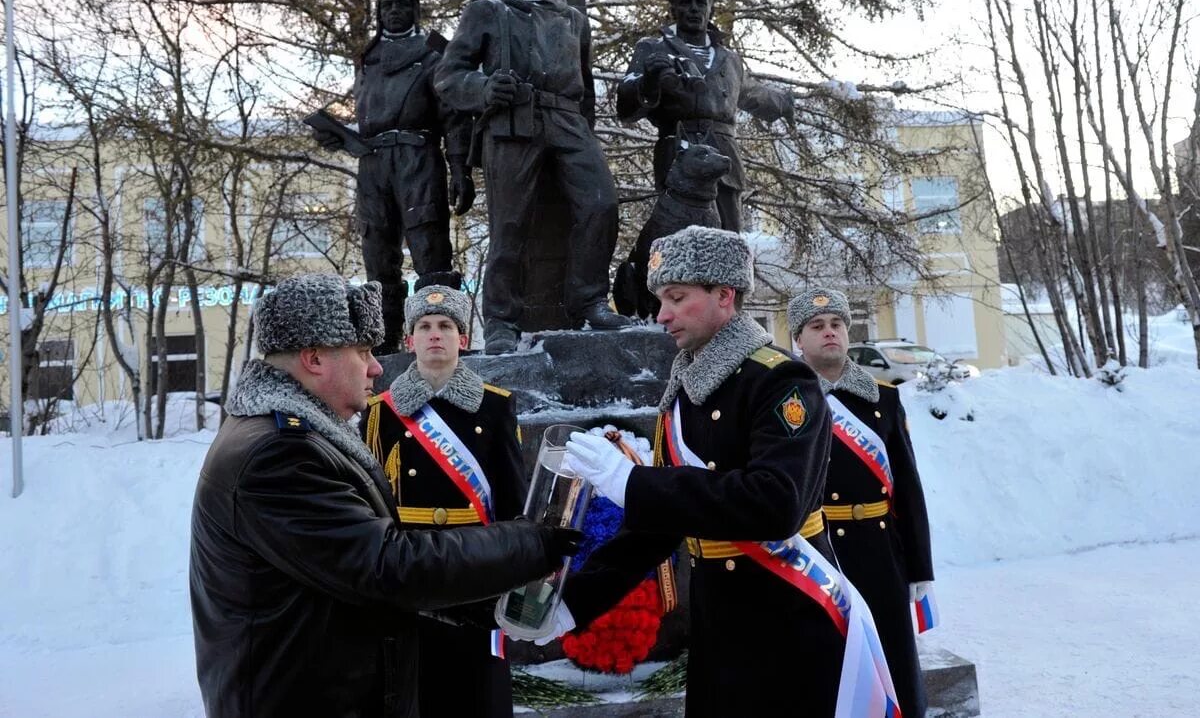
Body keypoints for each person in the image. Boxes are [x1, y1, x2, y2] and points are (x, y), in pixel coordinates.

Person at [190, 273, 579, 718]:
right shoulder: (278, 455)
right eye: (362, 352)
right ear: (315, 358)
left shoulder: (298, 436)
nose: (376, 367)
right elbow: (387, 565)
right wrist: (528, 543)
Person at [519, 225, 848, 716]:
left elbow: (776, 503)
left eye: (677, 297)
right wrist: (573, 603)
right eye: (660, 299)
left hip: (785, 615)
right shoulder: (688, 386)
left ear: (724, 295)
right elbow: (660, 525)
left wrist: (633, 482)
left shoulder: (780, 380)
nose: (661, 314)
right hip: (719, 622)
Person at [435, 0, 630, 354]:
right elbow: (448, 77)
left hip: (566, 121)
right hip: (512, 122)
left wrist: (581, 131)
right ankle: (503, 319)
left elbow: (585, 87)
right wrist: (484, 88)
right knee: (509, 223)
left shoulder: (573, 19)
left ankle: (589, 301)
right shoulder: (486, 11)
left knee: (601, 203)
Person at [361, 283, 526, 718]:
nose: (436, 334)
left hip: (478, 569)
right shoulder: (381, 412)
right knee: (420, 689)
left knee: (481, 692)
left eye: (447, 326)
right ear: (409, 340)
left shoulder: (496, 407)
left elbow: (512, 501)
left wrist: (517, 567)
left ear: (463, 339)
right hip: (411, 568)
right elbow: (371, 502)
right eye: (426, 326)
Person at [789, 287, 936, 717]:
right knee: (825, 660)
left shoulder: (883, 399)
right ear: (799, 339)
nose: (829, 333)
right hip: (815, 551)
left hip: (879, 552)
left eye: (836, 324)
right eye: (817, 326)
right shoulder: (786, 399)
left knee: (892, 659)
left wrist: (919, 566)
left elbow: (908, 487)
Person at [311, 0, 473, 352]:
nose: (394, 12)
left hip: (418, 158)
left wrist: (460, 168)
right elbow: (369, 117)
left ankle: (441, 341)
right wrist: (340, 136)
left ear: (414, 11)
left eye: (402, 5)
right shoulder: (368, 60)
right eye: (387, 7)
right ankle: (383, 346)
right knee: (378, 255)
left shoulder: (434, 55)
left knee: (431, 254)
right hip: (373, 164)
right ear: (379, 14)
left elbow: (453, 118)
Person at [616, 0, 794, 232]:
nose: (694, 8)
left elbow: (752, 94)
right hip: (679, 153)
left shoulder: (729, 59)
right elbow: (626, 106)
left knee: (729, 239)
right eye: (686, 2)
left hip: (723, 155)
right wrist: (649, 81)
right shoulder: (653, 48)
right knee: (677, 239)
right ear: (673, 8)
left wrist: (784, 103)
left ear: (711, 8)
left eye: (701, 2)